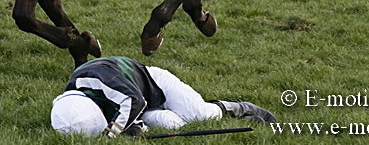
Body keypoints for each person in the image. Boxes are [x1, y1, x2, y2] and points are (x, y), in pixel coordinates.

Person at [50, 56, 276, 137]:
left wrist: (112, 134)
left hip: (155, 84)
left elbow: (133, 101)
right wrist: (134, 129)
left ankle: (238, 108)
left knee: (201, 116)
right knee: (175, 124)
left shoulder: (102, 79)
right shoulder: (73, 103)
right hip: (141, 106)